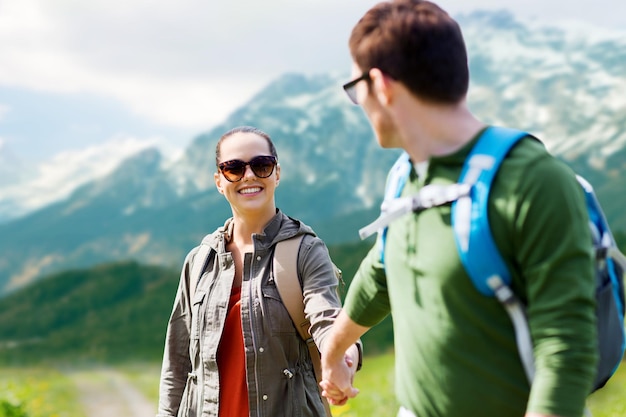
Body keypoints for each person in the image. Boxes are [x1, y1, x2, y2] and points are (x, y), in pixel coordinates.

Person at [320, 1, 598, 417]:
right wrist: (334, 350)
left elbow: (566, 349)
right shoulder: (405, 178)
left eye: (356, 89)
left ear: (381, 86)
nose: (359, 104)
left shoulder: (533, 180)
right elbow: (381, 272)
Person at [156, 126, 361, 417]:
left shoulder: (306, 251)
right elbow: (177, 364)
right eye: (234, 168)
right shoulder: (199, 261)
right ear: (219, 180)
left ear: (277, 173)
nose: (249, 176)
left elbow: (328, 321)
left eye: (261, 165)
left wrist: (343, 357)